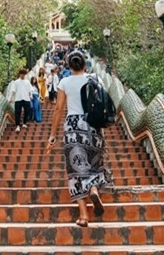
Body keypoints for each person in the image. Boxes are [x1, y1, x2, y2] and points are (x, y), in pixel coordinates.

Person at [46, 51, 113, 227]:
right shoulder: (94, 79)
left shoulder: (64, 82)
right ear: (85, 64)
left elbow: (58, 109)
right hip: (93, 126)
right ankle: (93, 188)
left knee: (75, 169)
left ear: (68, 65)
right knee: (95, 164)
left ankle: (84, 216)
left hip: (73, 127)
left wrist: (52, 135)